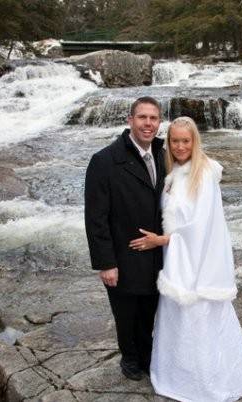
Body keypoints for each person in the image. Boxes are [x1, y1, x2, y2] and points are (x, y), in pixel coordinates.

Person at [129, 116, 242, 401]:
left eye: (185, 141)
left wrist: (161, 240)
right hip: (178, 258)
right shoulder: (174, 172)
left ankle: (205, 382)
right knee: (179, 318)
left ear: (195, 141)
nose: (179, 146)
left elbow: (202, 226)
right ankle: (179, 376)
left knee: (199, 317)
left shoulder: (204, 174)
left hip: (198, 261)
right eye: (174, 141)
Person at [84, 96, 165, 381]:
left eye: (153, 118)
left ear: (159, 122)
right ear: (130, 120)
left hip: (157, 253)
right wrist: (106, 263)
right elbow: (95, 218)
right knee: (126, 314)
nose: (148, 123)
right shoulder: (104, 161)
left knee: (149, 311)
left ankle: (146, 356)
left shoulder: (163, 153)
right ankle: (129, 359)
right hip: (123, 254)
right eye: (142, 117)